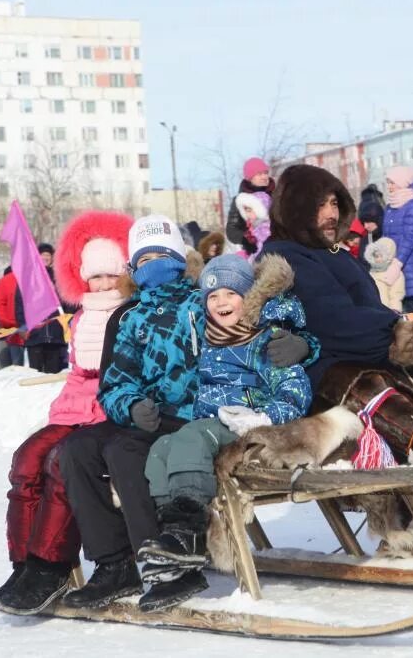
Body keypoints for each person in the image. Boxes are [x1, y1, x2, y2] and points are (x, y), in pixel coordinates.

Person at [260, 164, 413, 468]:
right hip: (320, 376)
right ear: (296, 209)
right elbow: (334, 321)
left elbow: (370, 311)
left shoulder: (334, 253)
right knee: (368, 386)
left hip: (367, 356)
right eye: (320, 205)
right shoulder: (286, 255)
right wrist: (405, 336)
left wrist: (410, 336)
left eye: (335, 203)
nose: (331, 214)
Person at [137, 254, 316, 612]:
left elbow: (295, 389)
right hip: (210, 425)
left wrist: (260, 417)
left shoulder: (263, 340)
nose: (221, 303)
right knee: (161, 449)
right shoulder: (203, 343)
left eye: (231, 294)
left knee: (189, 439)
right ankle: (172, 544)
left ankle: (188, 533)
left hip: (250, 430)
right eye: (213, 296)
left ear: (247, 297)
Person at [0, 211, 133, 615]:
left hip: (109, 412)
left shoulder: (131, 312)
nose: (103, 284)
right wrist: (64, 411)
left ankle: (50, 564)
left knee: (59, 464)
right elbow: (77, 374)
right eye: (96, 277)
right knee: (26, 459)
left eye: (110, 276)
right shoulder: (84, 316)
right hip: (76, 410)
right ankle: (23, 565)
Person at [379, 166, 413, 313]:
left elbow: (410, 237)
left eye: (393, 182)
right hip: (389, 263)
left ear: (403, 183)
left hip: (406, 264)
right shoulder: (390, 206)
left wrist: (397, 263)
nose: (389, 186)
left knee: (409, 308)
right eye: (388, 183)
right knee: (393, 307)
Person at [21, 242, 68, 374]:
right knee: (35, 374)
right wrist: (22, 326)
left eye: (48, 255)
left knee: (53, 374)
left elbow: (67, 302)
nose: (46, 258)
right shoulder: (29, 277)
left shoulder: (58, 277)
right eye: (43, 255)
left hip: (55, 334)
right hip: (36, 334)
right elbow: (20, 303)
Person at [226, 157, 275, 255]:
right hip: (254, 251)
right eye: (259, 174)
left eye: (266, 173)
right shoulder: (240, 201)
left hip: (276, 245)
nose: (264, 177)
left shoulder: (275, 195)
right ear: (250, 177)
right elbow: (231, 229)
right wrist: (246, 240)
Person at [0, 268, 25, 368]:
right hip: (9, 330)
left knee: (14, 367)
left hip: (15, 330)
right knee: (13, 366)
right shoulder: (6, 282)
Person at [364, 237, 405, 311]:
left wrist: (395, 309)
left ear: (389, 255)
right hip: (373, 310)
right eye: (376, 256)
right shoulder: (371, 272)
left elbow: (396, 294)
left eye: (381, 256)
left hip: (388, 310)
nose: (378, 259)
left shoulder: (394, 273)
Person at [233, 191, 272, 260]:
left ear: (259, 210)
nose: (247, 215)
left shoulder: (265, 230)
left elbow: (261, 253)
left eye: (249, 210)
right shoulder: (252, 230)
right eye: (245, 211)